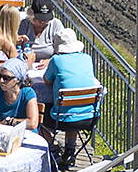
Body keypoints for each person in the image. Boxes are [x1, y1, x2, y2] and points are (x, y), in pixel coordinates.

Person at [40, 28, 98, 160]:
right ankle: (69, 150)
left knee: (39, 115)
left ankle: (52, 147)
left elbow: (47, 80)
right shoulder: (87, 58)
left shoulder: (56, 60)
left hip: (62, 118)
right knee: (73, 108)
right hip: (88, 116)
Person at [0, 57, 40, 132]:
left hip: (27, 134)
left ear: (17, 79)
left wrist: (9, 122)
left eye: (6, 78)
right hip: (4, 134)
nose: (1, 80)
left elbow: (32, 123)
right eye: (0, 76)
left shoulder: (28, 93)